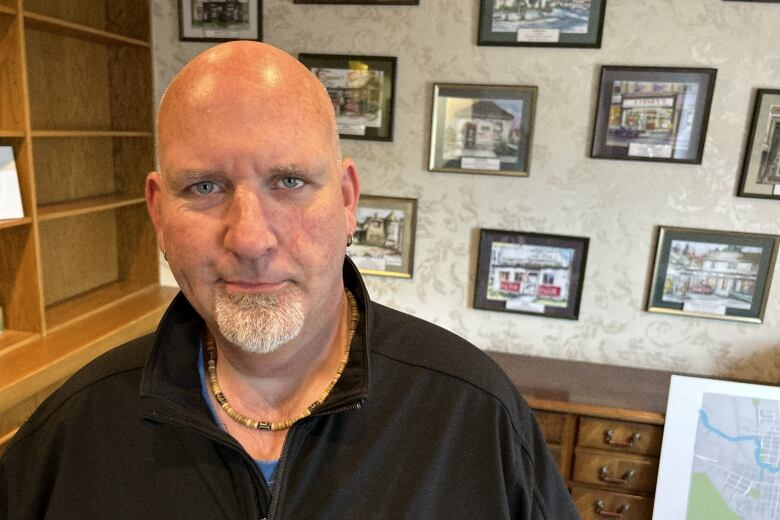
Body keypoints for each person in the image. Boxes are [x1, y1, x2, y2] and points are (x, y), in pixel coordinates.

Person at [0, 42, 578, 519]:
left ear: (348, 202)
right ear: (158, 213)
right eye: (205, 187)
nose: (250, 239)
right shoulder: (77, 425)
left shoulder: (474, 413)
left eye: (290, 182)